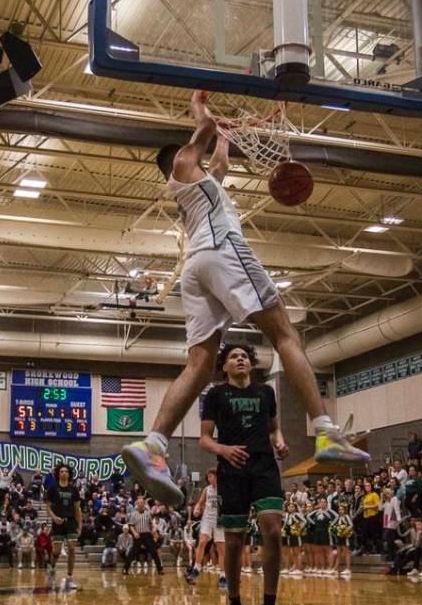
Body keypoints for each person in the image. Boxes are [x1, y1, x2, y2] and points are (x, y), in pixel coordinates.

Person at [122, 90, 370, 507]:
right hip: (221, 251)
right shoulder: (182, 165)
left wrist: (229, 131)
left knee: (201, 364)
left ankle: (153, 446)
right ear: (180, 160)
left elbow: (219, 161)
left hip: (197, 268)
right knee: (285, 333)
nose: (202, 159)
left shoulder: (201, 187)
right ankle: (327, 431)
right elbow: (202, 131)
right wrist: (201, 106)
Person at [198, 342, 289, 605]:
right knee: (235, 541)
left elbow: (275, 428)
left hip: (263, 466)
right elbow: (204, 439)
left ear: (250, 363)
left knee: (273, 531)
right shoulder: (216, 394)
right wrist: (222, 449)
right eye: (233, 356)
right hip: (232, 469)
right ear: (224, 366)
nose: (239, 359)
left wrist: (279, 441)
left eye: (244, 356)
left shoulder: (266, 392)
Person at [45, 464, 82, 589]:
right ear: (58, 474)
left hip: (70, 521)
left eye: (66, 471)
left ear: (69, 474)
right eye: (61, 471)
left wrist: (80, 525)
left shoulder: (74, 489)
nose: (64, 473)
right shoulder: (52, 488)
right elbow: (48, 507)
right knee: (56, 551)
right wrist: (54, 517)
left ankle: (70, 578)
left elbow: (78, 509)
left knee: (72, 548)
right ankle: (52, 567)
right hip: (58, 522)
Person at [187, 469, 225, 587]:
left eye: (211, 476)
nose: (209, 479)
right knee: (202, 541)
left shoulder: (224, 489)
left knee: (221, 549)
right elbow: (200, 502)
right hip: (207, 519)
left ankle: (223, 575)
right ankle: (197, 568)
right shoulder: (206, 490)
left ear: (216, 476)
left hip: (219, 520)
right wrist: (197, 508)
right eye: (208, 477)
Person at [124, 496, 163, 576]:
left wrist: (154, 533)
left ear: (144, 504)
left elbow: (150, 524)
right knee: (132, 552)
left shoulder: (148, 513)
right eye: (139, 503)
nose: (140, 504)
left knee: (154, 552)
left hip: (147, 535)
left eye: (142, 503)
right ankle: (125, 569)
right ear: (137, 504)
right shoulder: (133, 514)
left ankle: (159, 569)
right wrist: (134, 533)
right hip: (138, 535)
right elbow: (131, 525)